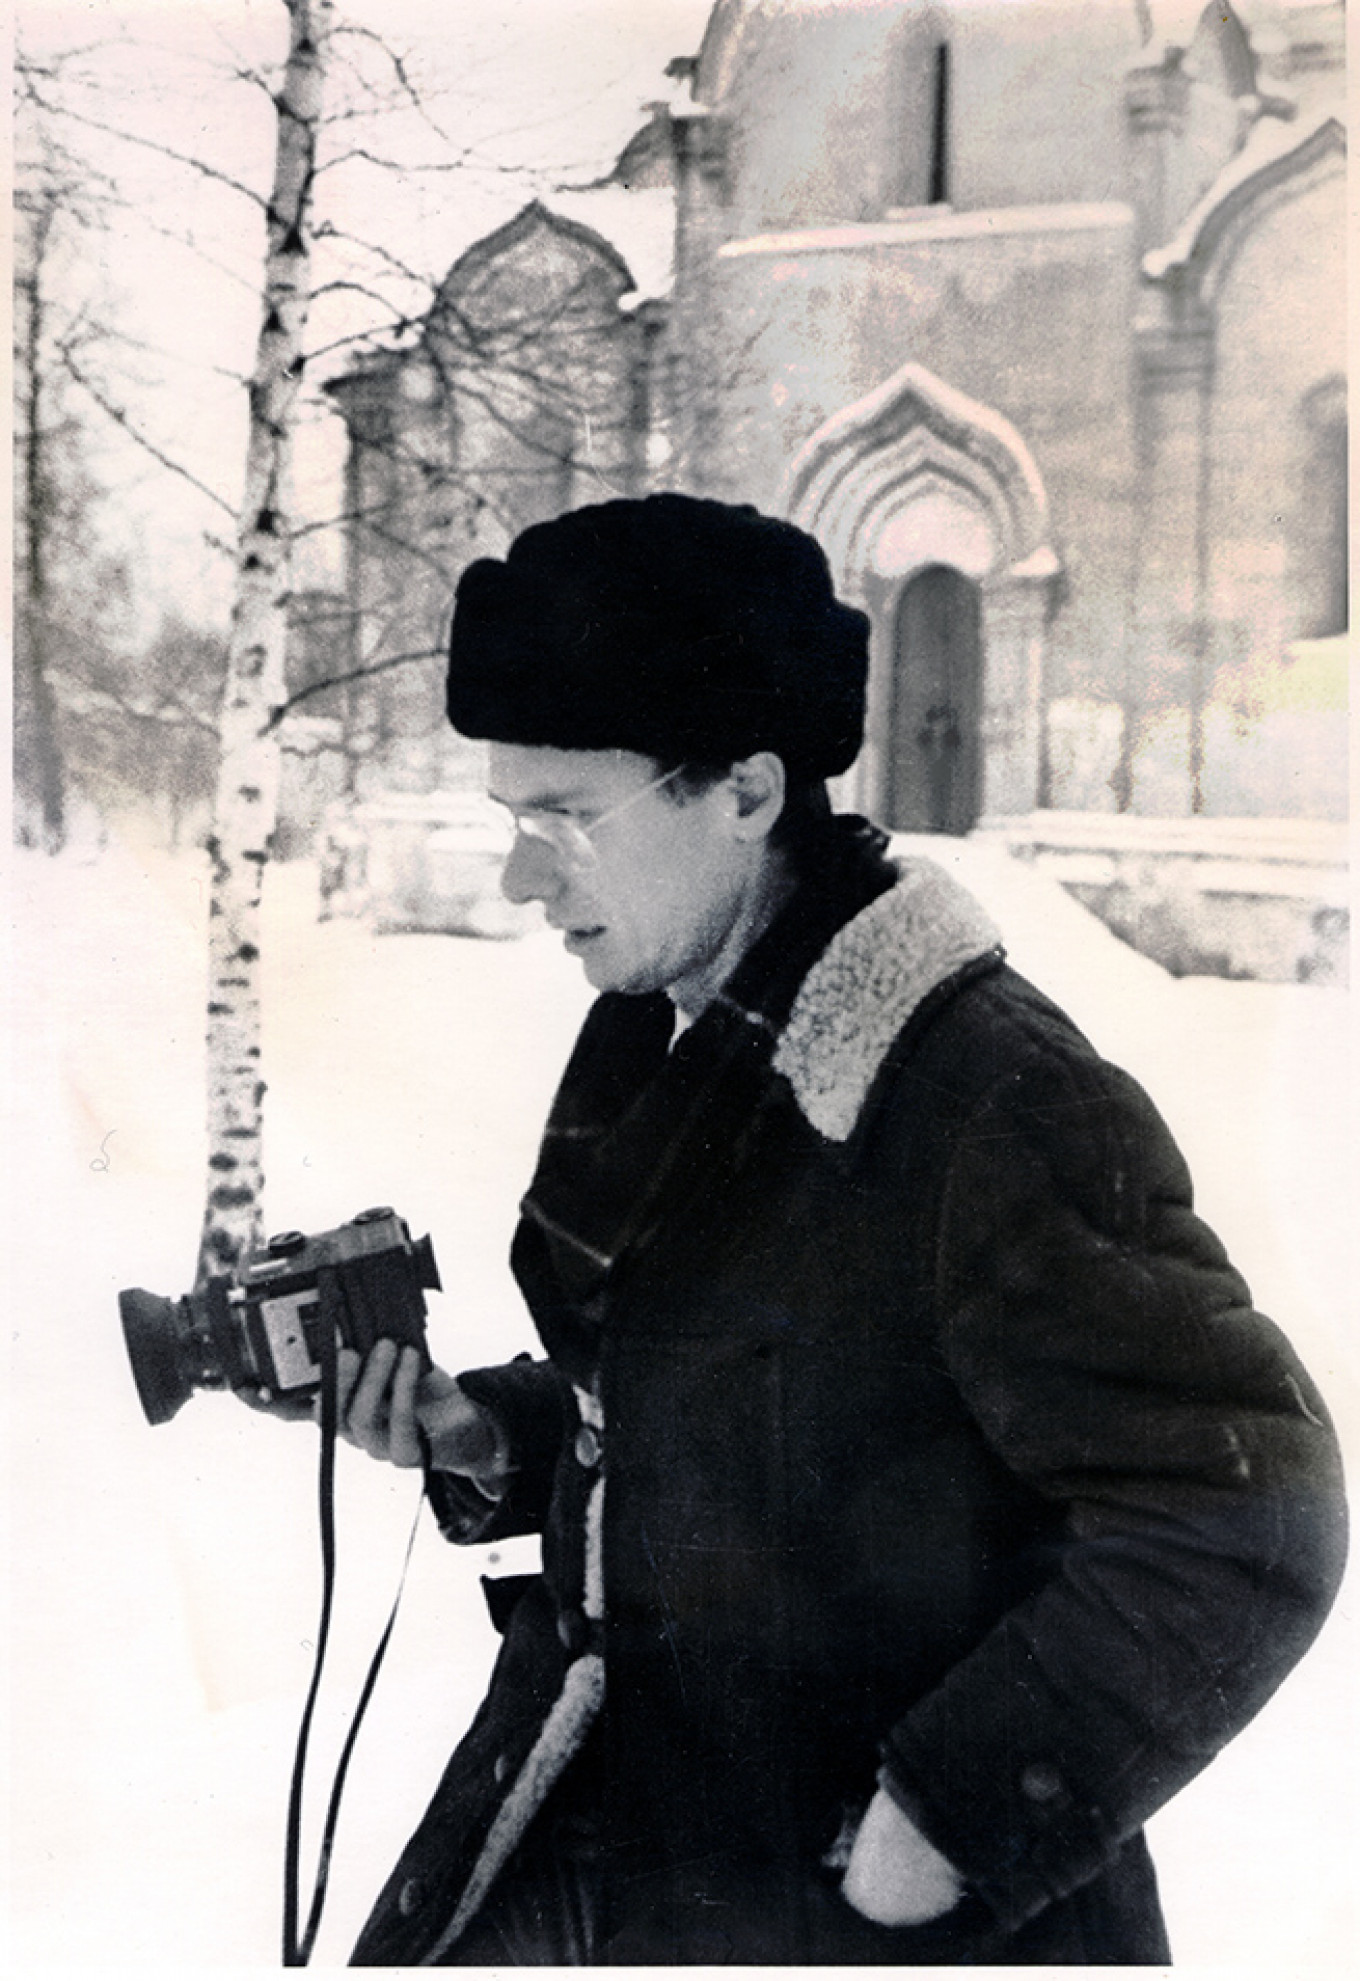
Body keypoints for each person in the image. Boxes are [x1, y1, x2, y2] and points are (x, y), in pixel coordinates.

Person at [329, 494, 1344, 1964]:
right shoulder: (685, 1037)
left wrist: (942, 1822)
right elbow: (781, 1430)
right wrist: (493, 1434)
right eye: (511, 820)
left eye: (564, 818)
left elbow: (1247, 1509)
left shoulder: (984, 1098)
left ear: (745, 788)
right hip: (662, 1862)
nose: (522, 876)